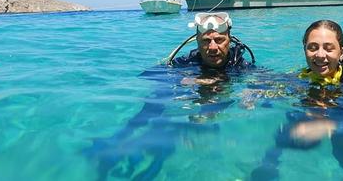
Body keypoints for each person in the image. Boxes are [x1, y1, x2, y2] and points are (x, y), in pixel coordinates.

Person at [86, 12, 256, 180]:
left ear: (229, 39)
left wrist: (251, 92)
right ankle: (119, 137)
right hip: (190, 97)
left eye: (219, 40)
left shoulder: (239, 64)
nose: (212, 47)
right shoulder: (187, 62)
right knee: (159, 95)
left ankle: (204, 149)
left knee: (217, 105)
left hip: (219, 100)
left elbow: (271, 82)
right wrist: (187, 79)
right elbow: (150, 74)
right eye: (206, 41)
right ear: (197, 41)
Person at [250, 20, 343, 181]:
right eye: (312, 47)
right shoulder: (303, 77)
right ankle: (267, 167)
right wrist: (255, 91)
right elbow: (273, 83)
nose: (319, 54)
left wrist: (330, 125)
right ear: (305, 50)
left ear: (341, 52)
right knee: (285, 132)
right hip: (317, 113)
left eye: (328, 48)